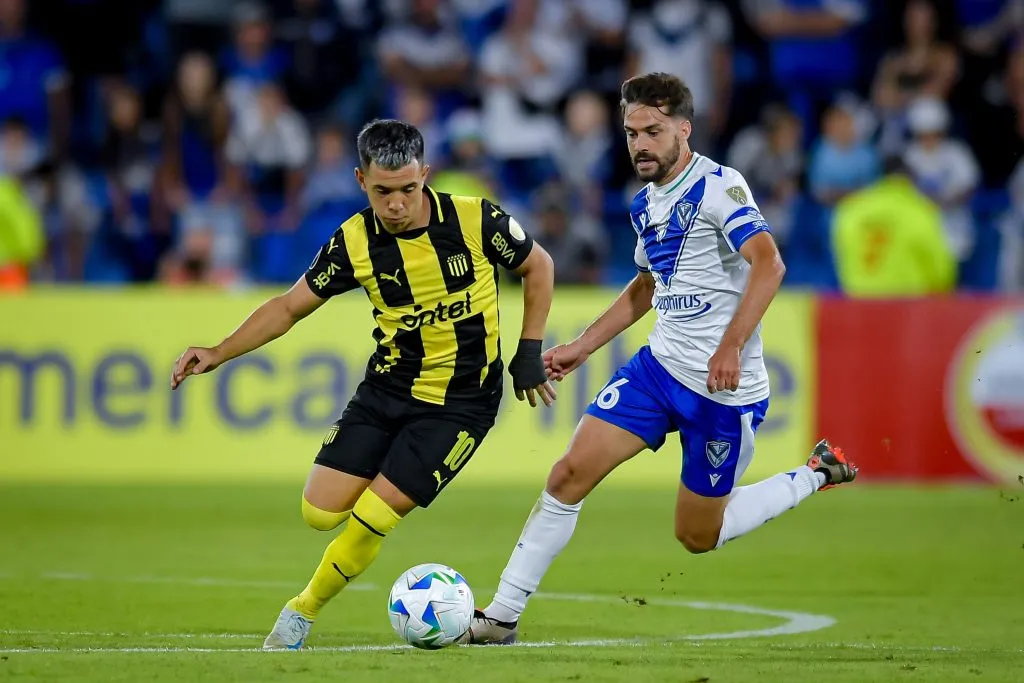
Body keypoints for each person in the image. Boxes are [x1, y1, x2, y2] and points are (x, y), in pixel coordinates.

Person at [461, 72, 858, 645]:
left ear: (683, 129)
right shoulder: (644, 202)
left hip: (722, 392)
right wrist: (580, 347)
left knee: (697, 535)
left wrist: (730, 345)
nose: (640, 145)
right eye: (630, 133)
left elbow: (769, 264)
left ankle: (814, 474)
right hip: (658, 370)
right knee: (569, 473)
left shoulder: (721, 187)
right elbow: (646, 288)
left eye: (652, 131)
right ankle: (500, 617)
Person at [168, 119, 556, 650]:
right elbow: (287, 307)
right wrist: (217, 352)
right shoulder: (353, 241)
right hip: (387, 390)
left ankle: (300, 612)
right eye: (382, 192)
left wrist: (528, 351)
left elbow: (540, 266)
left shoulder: (474, 220)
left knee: (375, 514)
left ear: (426, 174)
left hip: (461, 404)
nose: (395, 204)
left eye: (407, 190)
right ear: (360, 181)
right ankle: (379, 500)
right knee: (319, 512)